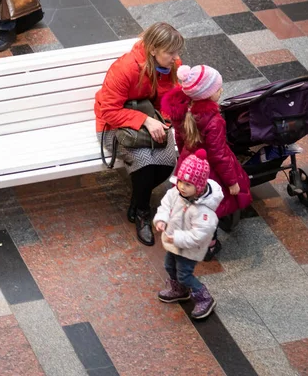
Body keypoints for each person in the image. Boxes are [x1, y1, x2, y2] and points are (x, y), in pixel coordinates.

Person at [95, 23, 184, 246]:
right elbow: (109, 111)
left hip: (152, 120)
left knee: (166, 161)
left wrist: (163, 119)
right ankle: (143, 211)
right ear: (153, 49)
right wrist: (144, 119)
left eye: (177, 51)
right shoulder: (125, 68)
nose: (176, 58)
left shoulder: (171, 66)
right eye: (170, 53)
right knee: (144, 161)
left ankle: (137, 199)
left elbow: (167, 100)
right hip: (115, 124)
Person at [161, 64, 253, 260]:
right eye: (218, 88)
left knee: (192, 202)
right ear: (207, 94)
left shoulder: (183, 111)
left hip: (189, 162)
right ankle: (209, 245)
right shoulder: (213, 120)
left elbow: (179, 138)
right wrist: (232, 182)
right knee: (210, 208)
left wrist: (184, 160)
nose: (221, 90)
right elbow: (219, 155)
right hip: (209, 172)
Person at [153, 149, 223, 319]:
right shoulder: (175, 193)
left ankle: (204, 297)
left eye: (188, 184)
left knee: (184, 274)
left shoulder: (205, 212)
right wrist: (161, 219)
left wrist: (176, 238)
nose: (182, 187)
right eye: (181, 181)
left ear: (198, 187)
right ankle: (180, 290)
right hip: (173, 243)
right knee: (170, 266)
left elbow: (199, 236)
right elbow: (165, 206)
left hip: (190, 249)